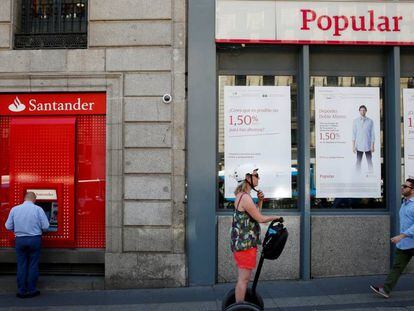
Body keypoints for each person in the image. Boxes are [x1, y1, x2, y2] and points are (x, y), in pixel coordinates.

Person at [230, 163, 281, 303]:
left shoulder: (243, 196)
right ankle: (240, 307)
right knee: (243, 279)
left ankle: (239, 304)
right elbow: (260, 219)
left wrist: (260, 201)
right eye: (255, 175)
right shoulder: (245, 198)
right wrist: (276, 217)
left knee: (244, 278)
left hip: (244, 244)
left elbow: (255, 215)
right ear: (247, 178)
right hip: (244, 245)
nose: (258, 178)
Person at [370, 178, 414, 298]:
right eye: (403, 185)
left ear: (413, 190)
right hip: (405, 244)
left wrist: (401, 236)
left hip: (406, 239)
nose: (402, 188)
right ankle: (385, 290)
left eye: (406, 186)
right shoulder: (404, 203)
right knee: (397, 267)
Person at [5, 192, 49, 298]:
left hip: (20, 240)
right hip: (34, 239)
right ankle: (32, 290)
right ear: (34, 199)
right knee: (33, 265)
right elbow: (46, 226)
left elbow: (8, 226)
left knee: (21, 265)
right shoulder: (38, 209)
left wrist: (18, 230)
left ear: (25, 198)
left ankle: (21, 291)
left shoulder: (15, 209)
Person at [352, 105, 375, 172]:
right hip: (359, 145)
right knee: (358, 162)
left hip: (368, 145)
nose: (362, 112)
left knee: (369, 161)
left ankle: (371, 174)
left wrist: (372, 146)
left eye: (364, 110)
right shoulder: (355, 121)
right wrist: (353, 146)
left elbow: (372, 134)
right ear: (359, 111)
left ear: (366, 111)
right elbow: (354, 134)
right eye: (361, 110)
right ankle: (357, 175)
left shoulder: (370, 121)